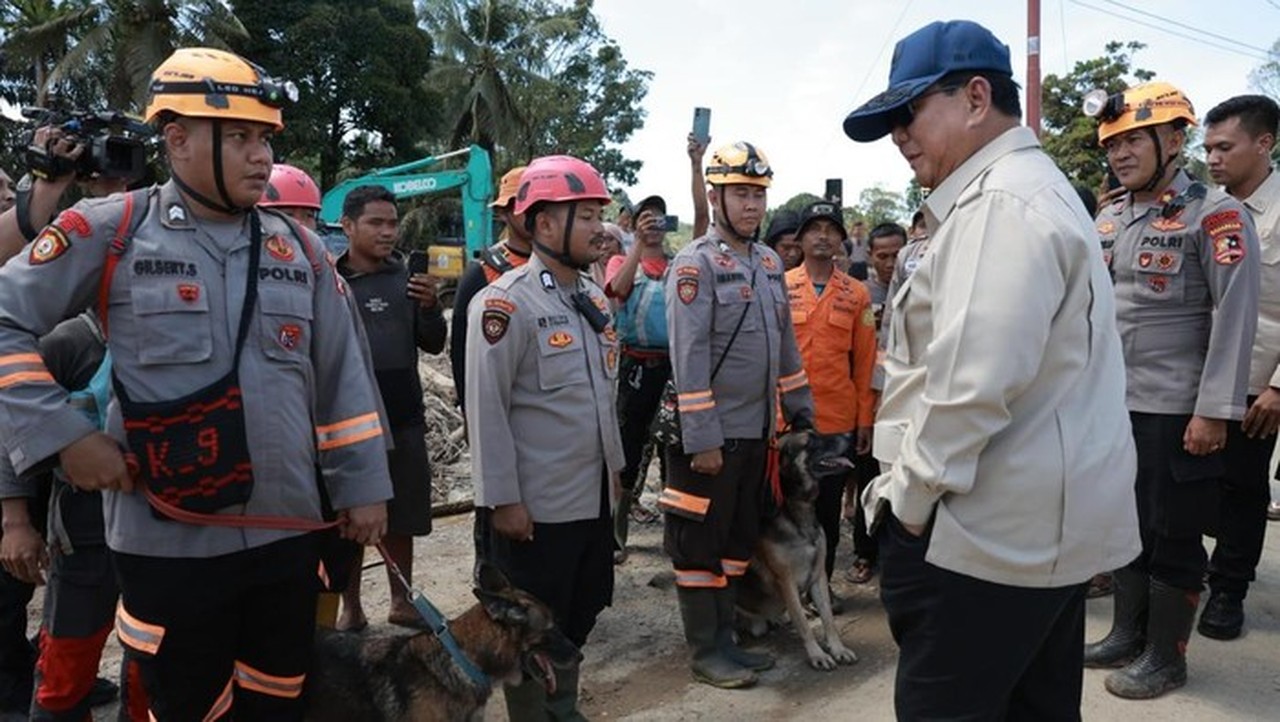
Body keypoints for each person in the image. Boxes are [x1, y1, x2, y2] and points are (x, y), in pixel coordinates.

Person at [0, 47, 392, 720]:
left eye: (265, 137)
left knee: (279, 698)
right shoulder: (111, 230)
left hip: (286, 532)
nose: (260, 156)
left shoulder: (297, 249)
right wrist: (64, 438)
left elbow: (343, 377)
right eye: (238, 137)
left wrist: (363, 488)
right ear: (176, 140)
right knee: (186, 705)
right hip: (168, 542)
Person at [845, 20, 1140, 719]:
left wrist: (908, 510)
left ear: (977, 97)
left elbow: (971, 387)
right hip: (1026, 532)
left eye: (909, 111)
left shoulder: (1001, 203)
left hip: (979, 539)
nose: (899, 135)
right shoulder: (1024, 191)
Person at [1085, 81, 1259, 699]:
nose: (1120, 155)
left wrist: (1214, 412)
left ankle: (1166, 656)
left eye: (1133, 139)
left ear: (1174, 138)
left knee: (1175, 532)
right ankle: (1127, 634)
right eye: (1113, 144)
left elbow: (1236, 316)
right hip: (1114, 405)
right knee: (1125, 523)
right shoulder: (1109, 215)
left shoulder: (1215, 214)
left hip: (1178, 409)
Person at [465, 155, 623, 720]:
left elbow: (601, 401)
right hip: (536, 508)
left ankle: (564, 707)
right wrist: (502, 499)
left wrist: (617, 477)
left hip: (590, 499)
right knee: (530, 622)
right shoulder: (505, 303)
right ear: (543, 224)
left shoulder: (594, 299)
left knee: (580, 609)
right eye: (585, 216)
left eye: (599, 215)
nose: (599, 228)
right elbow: (486, 409)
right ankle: (534, 714)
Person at [661, 140, 813, 690]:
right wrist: (702, 439)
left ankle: (729, 639)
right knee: (698, 544)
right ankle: (706, 650)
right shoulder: (694, 264)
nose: (752, 205)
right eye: (741, 194)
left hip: (757, 435)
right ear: (715, 196)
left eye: (758, 194)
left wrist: (800, 409)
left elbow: (785, 345)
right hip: (709, 440)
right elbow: (689, 358)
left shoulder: (769, 262)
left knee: (736, 539)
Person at [334, 185, 447, 631]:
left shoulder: (406, 278)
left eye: (391, 223)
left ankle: (401, 601)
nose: (387, 232)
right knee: (350, 519)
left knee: (403, 515)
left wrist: (430, 307)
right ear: (347, 226)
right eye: (375, 223)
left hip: (403, 416)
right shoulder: (332, 282)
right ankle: (351, 606)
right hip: (350, 423)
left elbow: (434, 343)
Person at [1196, 95, 1279, 640]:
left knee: (1243, 488)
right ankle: (1193, 570)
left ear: (1264, 143)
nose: (1212, 158)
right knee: (1190, 483)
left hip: (1256, 381)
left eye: (1224, 147)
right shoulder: (1203, 208)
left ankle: (1228, 589)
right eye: (1207, 148)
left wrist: (1278, 387)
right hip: (1198, 374)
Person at [783, 200, 876, 609]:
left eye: (831, 229)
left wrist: (865, 421)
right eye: (814, 228)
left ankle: (821, 587)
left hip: (837, 420)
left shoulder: (856, 294)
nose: (823, 236)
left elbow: (867, 363)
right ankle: (787, 590)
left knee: (826, 512)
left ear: (842, 241)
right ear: (799, 239)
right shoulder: (779, 286)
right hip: (787, 421)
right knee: (785, 509)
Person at [450, 165, 530, 578]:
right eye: (523, 205)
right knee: (495, 508)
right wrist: (473, 420)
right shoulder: (482, 273)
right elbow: (463, 360)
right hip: (495, 413)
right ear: (505, 213)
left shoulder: (562, 272)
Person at [605, 194, 673, 562]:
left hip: (673, 369)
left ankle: (675, 537)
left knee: (673, 453)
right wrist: (637, 244)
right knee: (627, 451)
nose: (654, 223)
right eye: (646, 217)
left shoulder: (678, 264)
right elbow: (618, 288)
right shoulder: (622, 260)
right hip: (635, 368)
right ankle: (616, 537)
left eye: (659, 217)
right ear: (633, 224)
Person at [845, 221, 907, 585]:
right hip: (870, 402)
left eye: (896, 254)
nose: (889, 262)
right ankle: (864, 555)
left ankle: (898, 558)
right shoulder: (859, 294)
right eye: (882, 255)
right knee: (869, 478)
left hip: (907, 402)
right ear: (869, 256)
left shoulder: (921, 289)